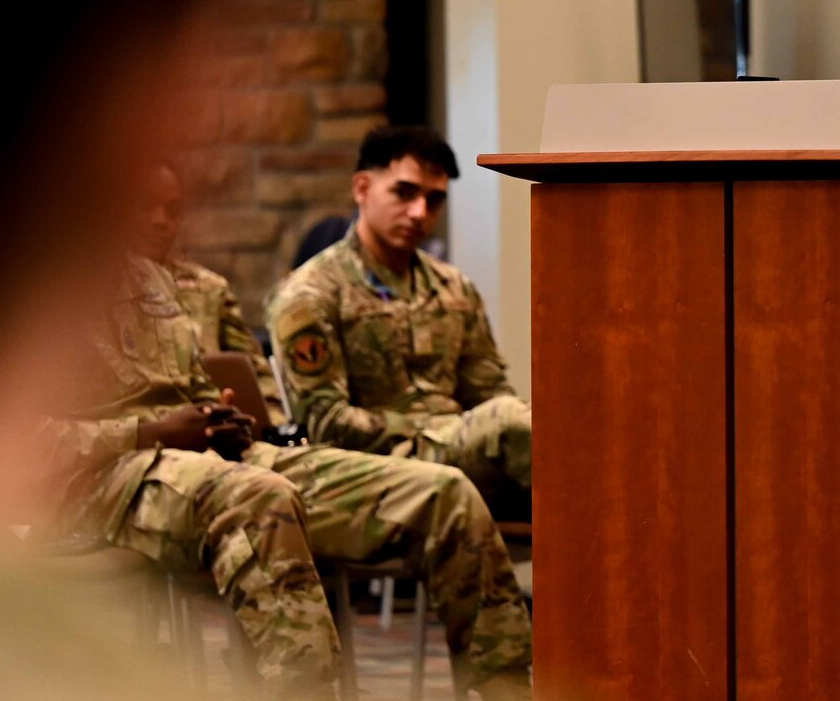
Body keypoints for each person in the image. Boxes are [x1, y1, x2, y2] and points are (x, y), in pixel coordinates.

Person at [43, 252, 535, 700]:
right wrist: (151, 430)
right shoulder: (15, 288)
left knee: (441, 491)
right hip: (99, 480)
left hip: (207, 460)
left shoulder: (145, 276)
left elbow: (192, 388)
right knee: (260, 498)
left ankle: (503, 689)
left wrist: (218, 421)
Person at [268, 127, 532, 520]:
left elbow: (489, 390)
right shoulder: (311, 293)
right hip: (373, 470)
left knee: (555, 426)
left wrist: (465, 431)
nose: (420, 213)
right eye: (404, 193)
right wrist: (437, 430)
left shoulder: (453, 288)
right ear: (362, 188)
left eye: (434, 200)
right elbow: (324, 422)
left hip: (458, 457)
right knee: (512, 422)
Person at [136, 160, 288, 425]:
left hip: (222, 433)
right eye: (145, 207)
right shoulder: (88, 294)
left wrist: (271, 427)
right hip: (142, 439)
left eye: (173, 211)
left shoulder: (209, 289)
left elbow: (259, 380)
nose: (161, 221)